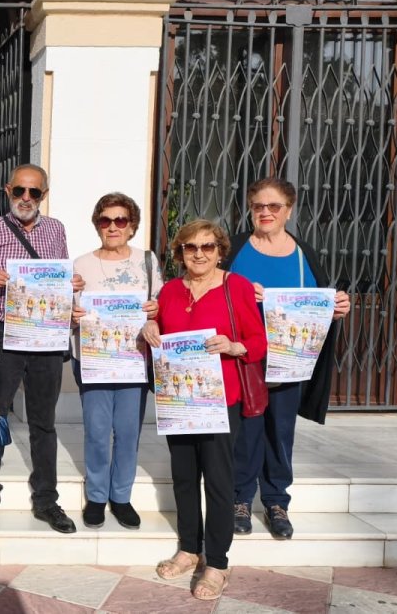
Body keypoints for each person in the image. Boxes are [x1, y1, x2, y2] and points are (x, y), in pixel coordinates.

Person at [142, 219, 267, 601]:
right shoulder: (170, 291)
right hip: (179, 402)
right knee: (183, 476)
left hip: (220, 401)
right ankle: (188, 548)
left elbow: (259, 342)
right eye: (190, 247)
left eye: (208, 247)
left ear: (220, 251)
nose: (199, 254)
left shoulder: (236, 287)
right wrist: (149, 325)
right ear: (179, 253)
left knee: (217, 480)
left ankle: (217, 562)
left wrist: (233, 346)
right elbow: (161, 330)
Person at [224, 177, 351, 540]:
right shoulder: (234, 250)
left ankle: (277, 502)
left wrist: (336, 307)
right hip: (244, 358)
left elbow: (320, 302)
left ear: (288, 211)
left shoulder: (303, 253)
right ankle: (240, 501)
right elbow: (211, 291)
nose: (265, 213)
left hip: (289, 359)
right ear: (250, 209)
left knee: (280, 430)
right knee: (246, 430)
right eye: (258, 206)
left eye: (273, 207)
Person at [0, 164, 82, 533]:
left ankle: (46, 500)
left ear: (44, 195)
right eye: (20, 191)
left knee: (43, 423)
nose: (27, 199)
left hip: (45, 337)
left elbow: (58, 283)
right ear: (7, 190)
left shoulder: (56, 230)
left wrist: (71, 284)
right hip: (3, 331)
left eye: (35, 192)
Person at [70, 193, 161, 530]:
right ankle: (96, 496)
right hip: (93, 360)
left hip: (133, 360)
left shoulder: (148, 262)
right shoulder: (80, 264)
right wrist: (72, 314)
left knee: (127, 433)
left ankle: (120, 496)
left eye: (120, 220)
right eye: (105, 220)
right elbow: (66, 311)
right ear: (97, 224)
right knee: (96, 432)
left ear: (132, 225)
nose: (112, 227)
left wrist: (156, 311)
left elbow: (159, 304)